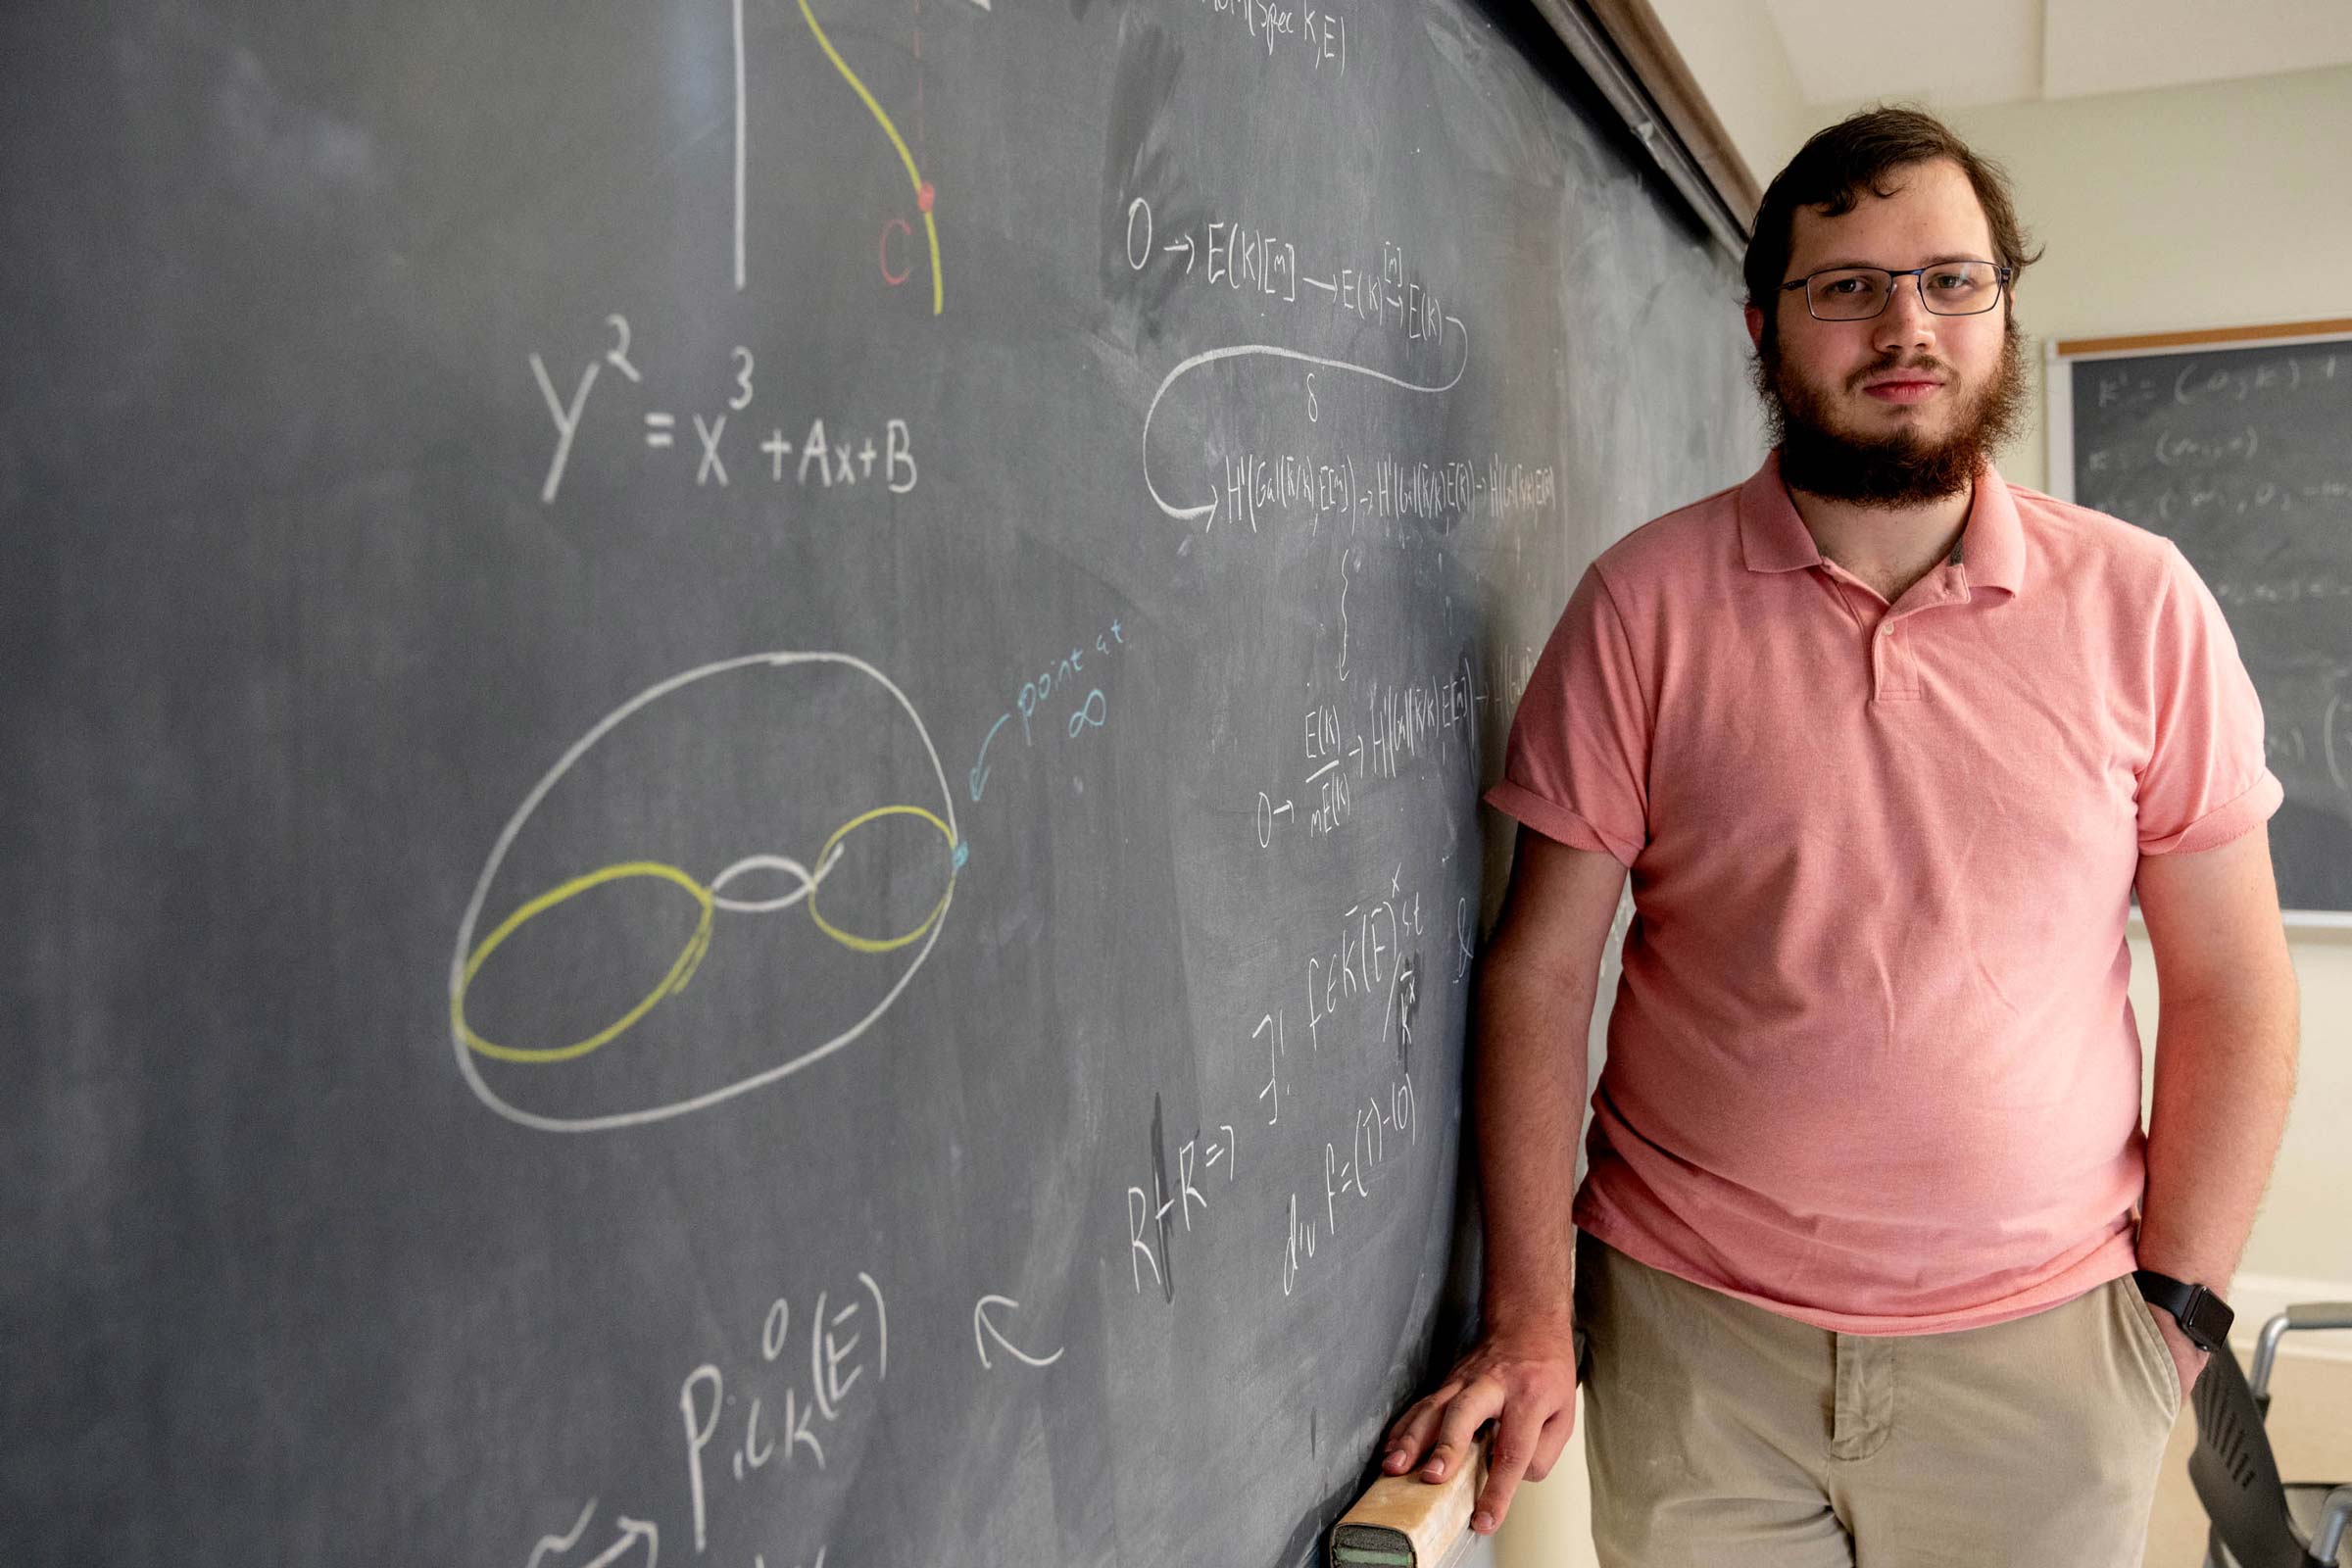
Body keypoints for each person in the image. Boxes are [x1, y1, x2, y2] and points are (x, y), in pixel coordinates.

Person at [1380, 107, 2302, 1565]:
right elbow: (1542, 971)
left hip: (2046, 1363)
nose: (1905, 325)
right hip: (1699, 1347)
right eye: (1848, 285)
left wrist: (2176, 1316)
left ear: (2002, 308)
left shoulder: (2144, 606)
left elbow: (2234, 986)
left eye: (1951, 280)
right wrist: (1532, 1317)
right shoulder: (1644, 606)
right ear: (1764, 325)